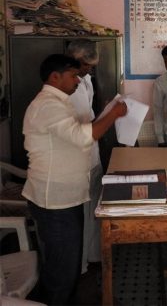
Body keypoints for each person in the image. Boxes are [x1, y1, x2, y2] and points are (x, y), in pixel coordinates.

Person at [22, 54, 127, 305]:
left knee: (65, 263)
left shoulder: (59, 101)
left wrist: (106, 114)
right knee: (62, 267)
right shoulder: (48, 104)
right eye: (73, 75)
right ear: (55, 76)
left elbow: (77, 130)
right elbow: (82, 137)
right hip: (54, 200)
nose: (78, 80)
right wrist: (112, 116)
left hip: (65, 197)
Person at [65, 39, 103, 274]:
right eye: (86, 65)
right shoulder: (69, 88)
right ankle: (79, 268)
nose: (90, 70)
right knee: (79, 218)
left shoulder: (86, 80)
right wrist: (111, 115)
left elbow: (90, 116)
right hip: (77, 163)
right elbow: (86, 127)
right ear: (75, 61)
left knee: (92, 211)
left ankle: (92, 257)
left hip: (92, 158)